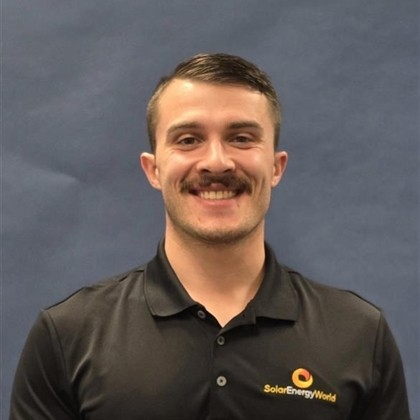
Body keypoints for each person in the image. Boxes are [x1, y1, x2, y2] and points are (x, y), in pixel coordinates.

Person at [10, 53, 411, 420]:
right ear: (153, 169)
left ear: (276, 166)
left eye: (241, 138)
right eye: (188, 140)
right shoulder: (68, 336)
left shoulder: (358, 334)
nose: (216, 162)